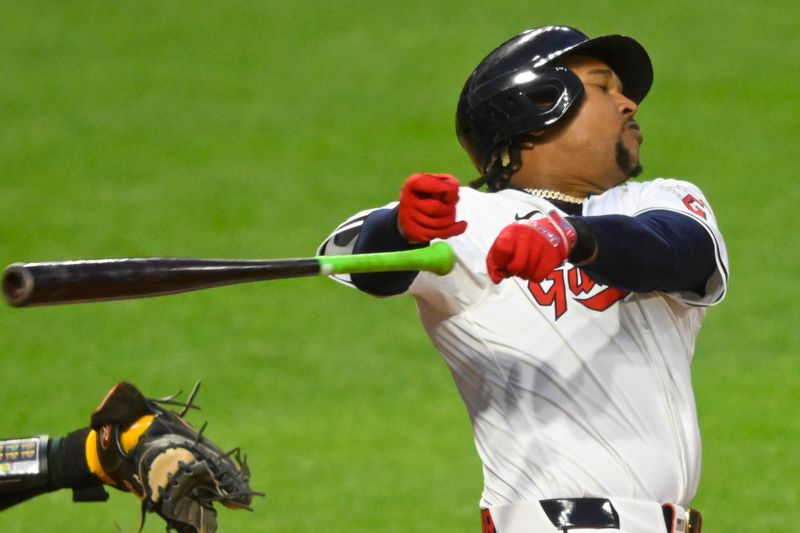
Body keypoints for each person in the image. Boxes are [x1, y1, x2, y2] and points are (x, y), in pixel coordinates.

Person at [318, 25, 728, 533]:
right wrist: (402, 227)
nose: (629, 105)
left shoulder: (656, 201)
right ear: (537, 105)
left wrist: (570, 237)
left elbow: (680, 252)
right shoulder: (469, 218)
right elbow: (359, 258)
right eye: (604, 87)